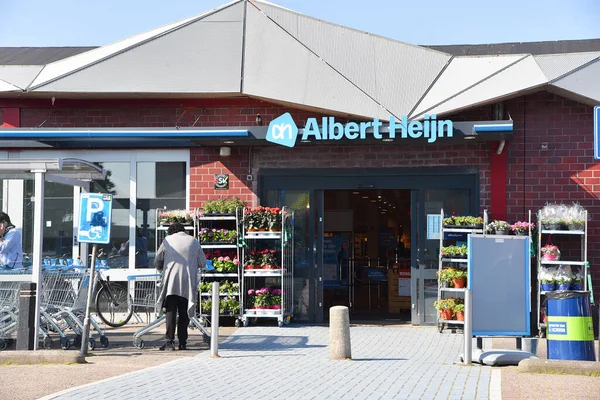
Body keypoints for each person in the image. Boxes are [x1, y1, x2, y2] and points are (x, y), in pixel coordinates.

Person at [154, 222, 206, 351]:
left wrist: (162, 267)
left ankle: (169, 342)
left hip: (171, 282)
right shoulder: (194, 241)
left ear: (171, 232)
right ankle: (183, 342)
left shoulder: (167, 241)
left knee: (170, 312)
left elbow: (158, 260)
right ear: (183, 231)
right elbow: (202, 262)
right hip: (188, 282)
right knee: (184, 313)